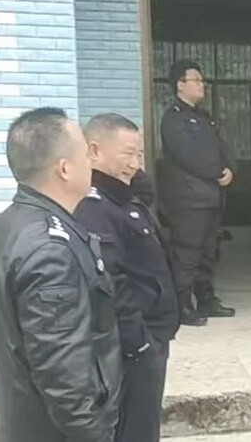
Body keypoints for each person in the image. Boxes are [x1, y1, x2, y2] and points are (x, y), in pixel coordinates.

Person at [0, 107, 122, 442]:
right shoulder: (50, 250)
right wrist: (95, 435)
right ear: (65, 168)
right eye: (85, 154)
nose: (92, 163)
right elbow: (63, 373)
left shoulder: (13, 223)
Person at [74, 113, 181, 442]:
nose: (135, 164)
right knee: (134, 430)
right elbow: (111, 282)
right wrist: (140, 342)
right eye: (127, 154)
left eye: (139, 154)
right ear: (94, 151)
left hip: (151, 337)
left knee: (145, 426)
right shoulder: (93, 206)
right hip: (131, 347)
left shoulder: (123, 198)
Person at [159, 59, 235, 324]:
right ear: (180, 85)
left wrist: (230, 168)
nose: (202, 85)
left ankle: (206, 300)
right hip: (188, 201)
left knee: (208, 253)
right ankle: (182, 306)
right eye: (196, 80)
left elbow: (223, 148)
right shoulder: (173, 119)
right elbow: (190, 155)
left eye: (202, 80)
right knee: (186, 254)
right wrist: (217, 171)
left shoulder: (204, 117)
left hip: (210, 198)